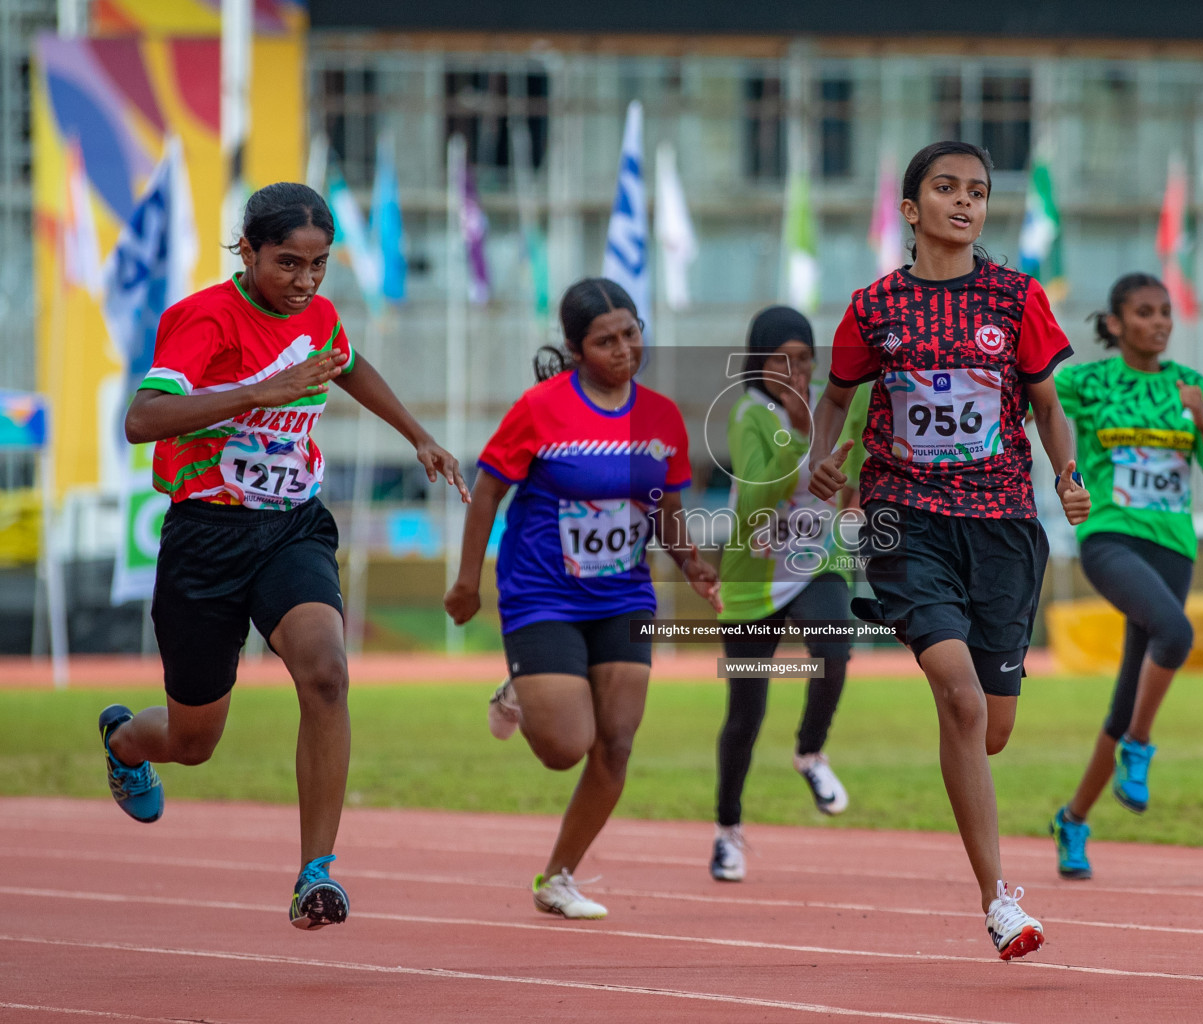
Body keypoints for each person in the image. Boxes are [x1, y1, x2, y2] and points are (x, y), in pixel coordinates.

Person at [98, 182, 469, 930]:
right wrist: (258, 391)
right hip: (205, 537)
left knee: (328, 675)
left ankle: (315, 875)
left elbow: (346, 361)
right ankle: (123, 740)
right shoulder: (201, 319)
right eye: (288, 265)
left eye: (319, 265)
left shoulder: (320, 316)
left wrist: (416, 434)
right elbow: (143, 419)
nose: (304, 283)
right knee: (193, 741)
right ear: (249, 251)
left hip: (293, 527)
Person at [807, 141, 1090, 961]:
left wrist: (1066, 475)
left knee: (990, 728)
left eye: (976, 191)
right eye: (945, 188)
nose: (964, 202)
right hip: (905, 518)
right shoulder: (872, 309)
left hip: (1001, 525)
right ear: (910, 208)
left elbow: (1047, 406)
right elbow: (833, 399)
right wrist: (824, 458)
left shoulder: (1017, 299)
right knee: (961, 703)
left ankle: (962, 700)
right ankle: (998, 900)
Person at [445, 277, 721, 920]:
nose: (624, 349)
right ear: (575, 349)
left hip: (625, 594)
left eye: (631, 333)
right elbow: (487, 490)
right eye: (605, 341)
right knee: (564, 747)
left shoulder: (661, 416)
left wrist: (691, 563)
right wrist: (466, 581)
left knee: (616, 744)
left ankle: (558, 877)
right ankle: (519, 689)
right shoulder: (541, 408)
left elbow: (664, 505)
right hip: (543, 592)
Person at [1047, 273, 1203, 880]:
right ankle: (1140, 747)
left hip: (1174, 550)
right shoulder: (1090, 381)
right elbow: (1035, 399)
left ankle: (1074, 818)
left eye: (1164, 314)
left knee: (1128, 693)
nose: (1158, 322)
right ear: (1116, 323)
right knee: (1176, 635)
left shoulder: (1193, 388)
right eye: (1144, 313)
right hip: (1109, 537)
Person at [710, 306, 863, 883]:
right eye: (781, 359)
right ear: (758, 363)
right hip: (752, 575)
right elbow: (752, 504)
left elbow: (854, 467)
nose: (795, 371)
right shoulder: (750, 414)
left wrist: (853, 498)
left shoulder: (832, 403)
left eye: (803, 358)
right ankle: (728, 830)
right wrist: (795, 438)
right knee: (745, 715)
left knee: (834, 650)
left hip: (815, 560)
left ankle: (810, 752)